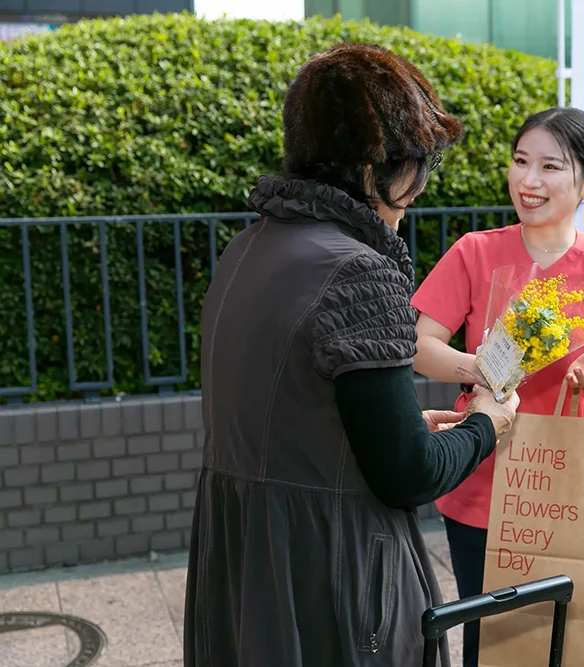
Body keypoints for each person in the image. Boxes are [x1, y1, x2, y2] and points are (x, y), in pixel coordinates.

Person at [183, 43, 521, 667]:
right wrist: (486, 427)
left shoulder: (248, 248)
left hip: (246, 568)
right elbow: (409, 474)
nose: (419, 183)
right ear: (372, 172)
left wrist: (385, 428)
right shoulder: (357, 272)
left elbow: (286, 411)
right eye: (415, 163)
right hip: (327, 573)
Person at [411, 106, 584, 667]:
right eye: (521, 162)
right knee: (484, 635)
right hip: (482, 469)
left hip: (569, 480)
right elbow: (422, 347)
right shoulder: (475, 250)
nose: (529, 180)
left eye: (550, 166)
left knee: (563, 634)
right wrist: (484, 370)